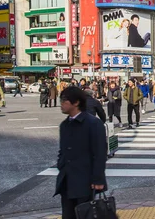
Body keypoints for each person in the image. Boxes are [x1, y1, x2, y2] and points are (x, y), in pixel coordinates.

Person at [55, 87, 107, 219]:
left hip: (86, 180)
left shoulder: (93, 123)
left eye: (64, 100)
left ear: (76, 102)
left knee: (86, 214)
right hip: (67, 180)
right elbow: (62, 150)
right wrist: (61, 164)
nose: (61, 103)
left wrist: (98, 178)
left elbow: (100, 153)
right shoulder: (64, 125)